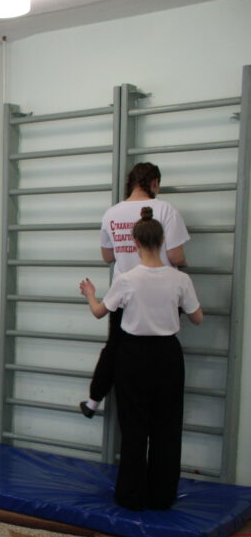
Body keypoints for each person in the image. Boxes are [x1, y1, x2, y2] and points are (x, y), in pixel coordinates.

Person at [80, 207, 202, 511]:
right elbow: (197, 318)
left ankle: (131, 496)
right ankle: (162, 496)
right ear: (162, 241)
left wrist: (90, 293)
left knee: (134, 428)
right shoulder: (180, 280)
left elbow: (98, 312)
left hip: (133, 355)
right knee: (167, 428)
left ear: (135, 243)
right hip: (168, 356)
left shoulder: (127, 279)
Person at [81, 163, 189, 418]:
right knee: (159, 355)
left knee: (115, 348)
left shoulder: (111, 213)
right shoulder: (166, 209)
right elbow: (175, 255)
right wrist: (184, 264)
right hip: (161, 297)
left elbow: (107, 256)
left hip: (124, 297)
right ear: (154, 183)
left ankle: (93, 400)